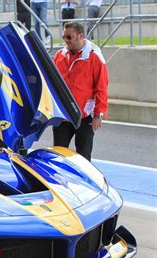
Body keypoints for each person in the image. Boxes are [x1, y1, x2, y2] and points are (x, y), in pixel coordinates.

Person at [53, 22, 108, 160]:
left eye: (69, 37)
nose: (66, 40)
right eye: (64, 37)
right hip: (63, 115)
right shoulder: (59, 55)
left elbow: (101, 87)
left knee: (83, 157)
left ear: (80, 36)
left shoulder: (95, 57)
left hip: (85, 116)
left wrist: (97, 115)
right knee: (58, 155)